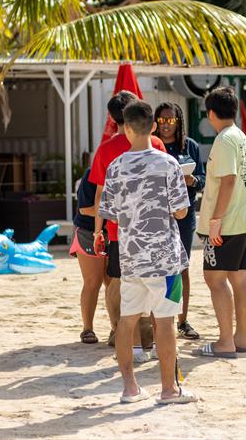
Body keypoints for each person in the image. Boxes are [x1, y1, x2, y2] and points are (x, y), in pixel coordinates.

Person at [99, 100, 197, 404]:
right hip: (165, 259)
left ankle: (130, 388)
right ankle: (169, 390)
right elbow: (181, 211)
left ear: (126, 127)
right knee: (165, 323)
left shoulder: (115, 166)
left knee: (126, 322)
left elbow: (109, 213)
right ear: (152, 126)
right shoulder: (168, 164)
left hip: (130, 258)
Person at [90, 91, 166, 357]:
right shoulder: (156, 144)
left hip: (120, 230)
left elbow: (101, 193)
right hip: (156, 229)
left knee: (120, 284)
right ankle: (155, 341)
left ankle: (119, 332)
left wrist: (98, 230)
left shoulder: (106, 150)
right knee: (157, 287)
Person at [193, 86, 246, 359]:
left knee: (215, 279)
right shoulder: (242, 137)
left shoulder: (224, 140)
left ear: (211, 114)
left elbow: (228, 181)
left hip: (227, 222)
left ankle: (225, 342)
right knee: (240, 279)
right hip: (244, 219)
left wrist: (215, 221)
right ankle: (240, 338)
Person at [154, 102, 206, 340]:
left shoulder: (190, 145)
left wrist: (192, 181)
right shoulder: (153, 146)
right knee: (157, 268)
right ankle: (158, 319)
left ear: (178, 121)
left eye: (170, 120)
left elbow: (203, 178)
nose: (166, 125)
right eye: (162, 120)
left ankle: (183, 320)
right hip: (156, 216)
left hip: (184, 216)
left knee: (182, 266)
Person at [70, 164, 106, 344]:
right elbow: (84, 209)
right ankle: (87, 328)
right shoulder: (92, 173)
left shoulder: (129, 168)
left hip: (115, 232)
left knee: (113, 283)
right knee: (93, 282)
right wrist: (118, 213)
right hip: (87, 230)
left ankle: (116, 328)